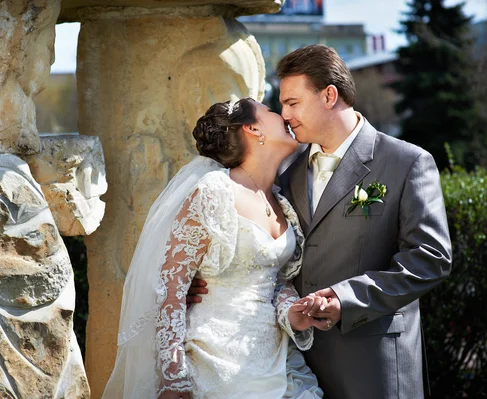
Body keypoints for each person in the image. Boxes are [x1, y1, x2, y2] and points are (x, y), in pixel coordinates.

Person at [189, 44, 452, 398]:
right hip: (294, 363)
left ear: (329, 96)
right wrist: (202, 281)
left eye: (292, 103)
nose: (284, 114)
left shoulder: (407, 162)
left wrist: (346, 299)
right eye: (281, 104)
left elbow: (431, 258)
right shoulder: (283, 171)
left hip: (373, 362)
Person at [103, 98, 325, 398]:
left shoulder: (280, 200)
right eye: (272, 111)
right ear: (252, 128)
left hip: (274, 358)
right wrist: (174, 375)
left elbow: (275, 280)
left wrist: (292, 312)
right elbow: (171, 288)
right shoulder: (214, 192)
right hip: (214, 358)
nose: (283, 115)